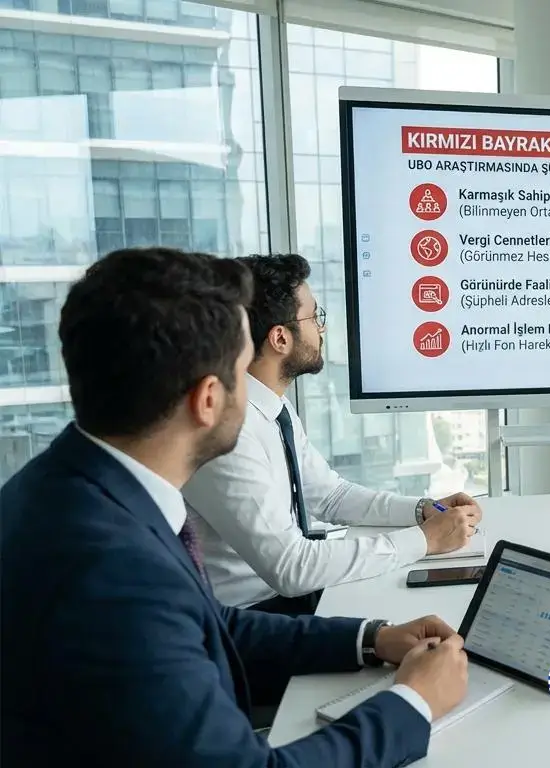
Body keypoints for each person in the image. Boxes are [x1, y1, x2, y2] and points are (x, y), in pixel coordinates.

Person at [0, 247, 471, 766]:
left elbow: (211, 622)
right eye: (241, 370)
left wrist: (371, 638)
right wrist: (413, 703)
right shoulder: (116, 574)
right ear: (208, 400)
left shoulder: (73, 487)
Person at [181, 253, 480, 616]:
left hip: (289, 598)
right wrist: (425, 540)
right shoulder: (229, 431)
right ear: (280, 338)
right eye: (314, 317)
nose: (321, 329)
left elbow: (330, 496)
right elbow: (291, 568)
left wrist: (422, 511)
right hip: (254, 617)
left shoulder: (270, 406)